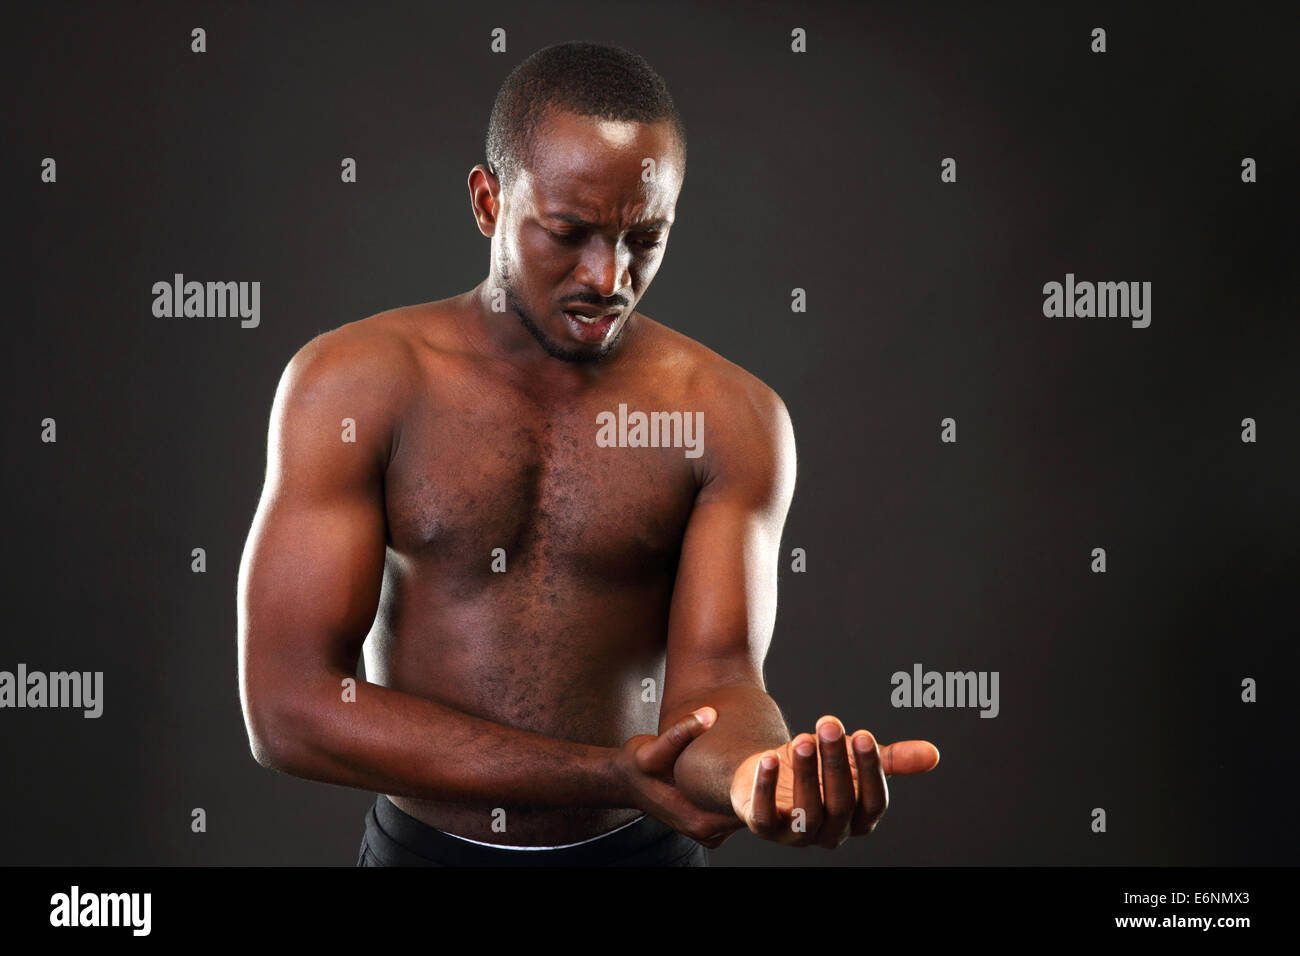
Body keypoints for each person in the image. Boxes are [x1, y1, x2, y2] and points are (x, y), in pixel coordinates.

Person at [237, 40, 939, 867]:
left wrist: (756, 775)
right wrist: (609, 773)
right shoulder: (354, 384)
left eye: (645, 237)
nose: (609, 277)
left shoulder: (728, 415)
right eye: (569, 232)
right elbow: (289, 709)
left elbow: (718, 682)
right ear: (488, 200)